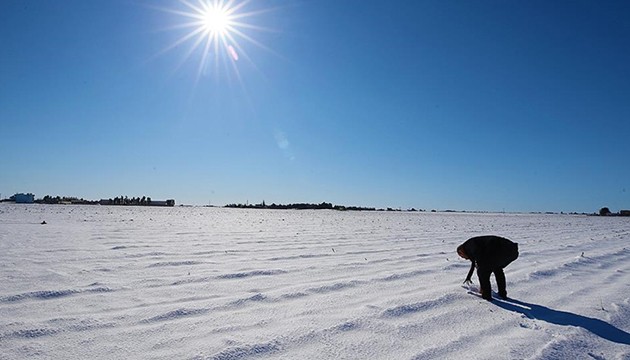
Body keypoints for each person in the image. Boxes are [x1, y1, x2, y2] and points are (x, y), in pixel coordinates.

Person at [457, 235, 519, 301]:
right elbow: (476, 261)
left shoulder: (469, 245)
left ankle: (486, 295)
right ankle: (502, 293)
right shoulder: (471, 246)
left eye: (462, 256)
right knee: (497, 269)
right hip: (512, 250)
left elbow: (479, 259)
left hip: (502, 251)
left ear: (461, 251)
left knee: (482, 272)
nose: (465, 259)